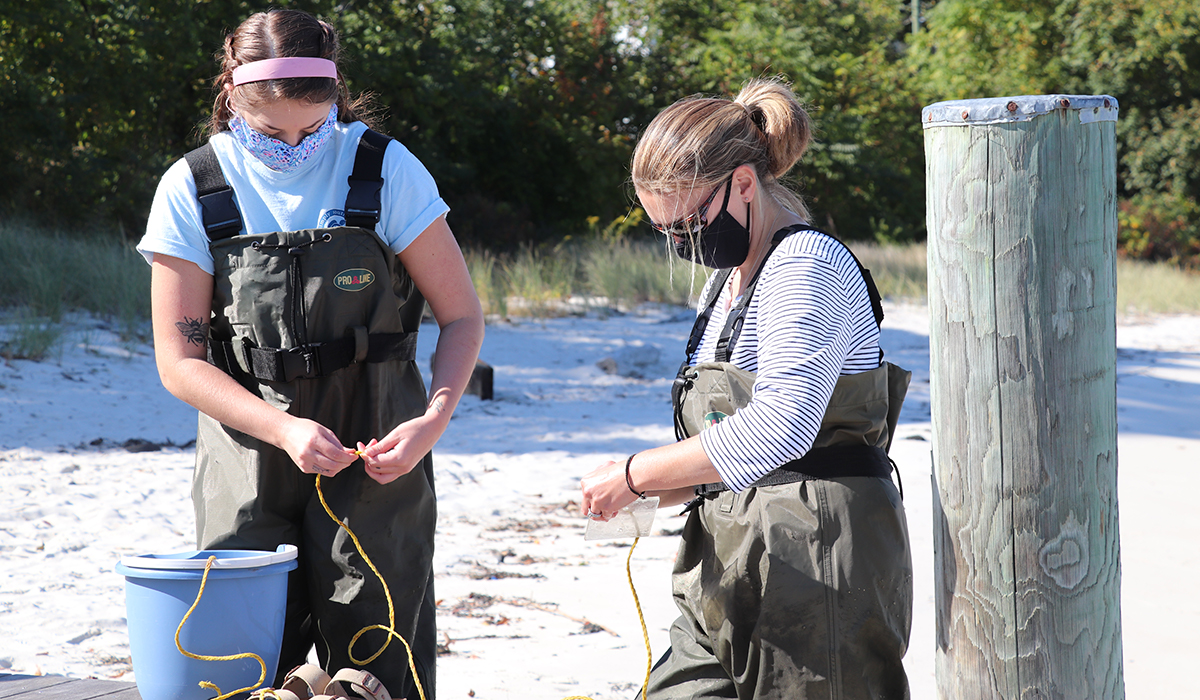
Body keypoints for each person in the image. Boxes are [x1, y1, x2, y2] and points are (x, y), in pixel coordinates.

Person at [137, 9, 483, 699]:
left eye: (313, 128)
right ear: (231, 95)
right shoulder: (193, 185)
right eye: (271, 132)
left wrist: (431, 422)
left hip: (380, 447)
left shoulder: (386, 169)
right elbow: (180, 362)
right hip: (248, 456)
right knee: (242, 670)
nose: (295, 146)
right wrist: (283, 429)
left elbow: (463, 315)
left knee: (381, 664)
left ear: (335, 97)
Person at [579, 78, 913, 699]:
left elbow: (783, 425)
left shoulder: (804, 266)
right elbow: (730, 452)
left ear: (742, 183)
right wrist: (653, 489)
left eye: (687, 222)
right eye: (665, 231)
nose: (682, 244)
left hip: (818, 569)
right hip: (727, 569)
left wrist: (636, 472)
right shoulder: (727, 282)